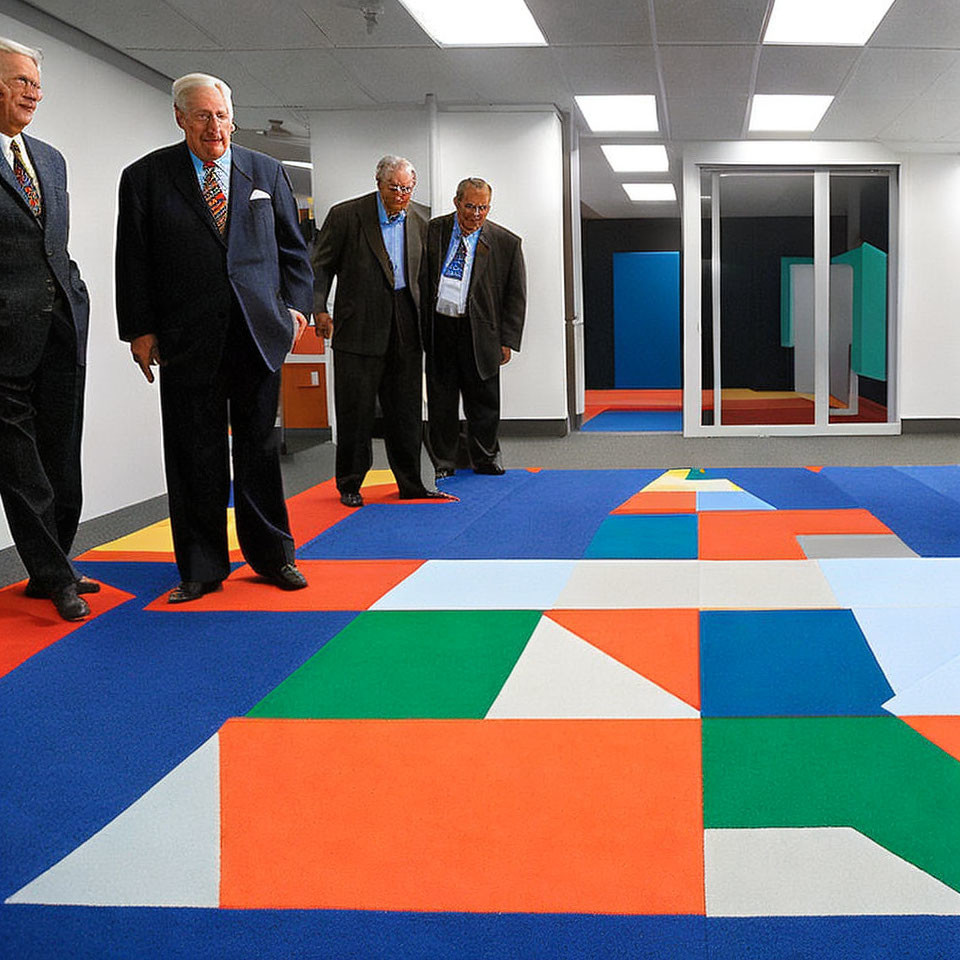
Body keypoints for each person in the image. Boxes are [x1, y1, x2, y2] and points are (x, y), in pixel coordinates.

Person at [116, 73, 312, 603]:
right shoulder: (146, 178)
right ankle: (201, 568)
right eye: (202, 115)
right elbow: (133, 261)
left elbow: (295, 252)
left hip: (257, 334)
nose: (214, 126)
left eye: (222, 115)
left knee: (260, 449)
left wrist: (296, 309)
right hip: (187, 339)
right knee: (194, 455)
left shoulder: (266, 171)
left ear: (233, 116)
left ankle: (273, 556)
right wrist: (139, 329)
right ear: (180, 117)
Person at [0, 37, 95, 621]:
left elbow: (50, 244)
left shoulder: (50, 158)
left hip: (61, 325)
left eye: (36, 82)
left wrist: (76, 295)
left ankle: (54, 562)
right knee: (20, 466)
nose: (33, 92)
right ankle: (55, 576)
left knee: (63, 459)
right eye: (20, 81)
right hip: (3, 337)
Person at [311, 156, 453, 507]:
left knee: (405, 411)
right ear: (379, 183)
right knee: (355, 410)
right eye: (394, 188)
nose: (401, 195)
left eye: (407, 188)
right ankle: (350, 483)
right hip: (357, 326)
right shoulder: (347, 215)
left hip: (406, 321)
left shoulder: (421, 218)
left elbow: (426, 275)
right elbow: (321, 265)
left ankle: (411, 483)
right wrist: (318, 309)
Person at [422, 177, 526, 480]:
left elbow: (515, 295)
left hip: (482, 332)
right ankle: (444, 460)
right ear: (457, 203)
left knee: (484, 401)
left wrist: (508, 339)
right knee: (441, 400)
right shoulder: (433, 231)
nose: (476, 214)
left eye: (482, 208)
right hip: (440, 327)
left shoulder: (506, 242)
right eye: (470, 206)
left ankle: (486, 457)